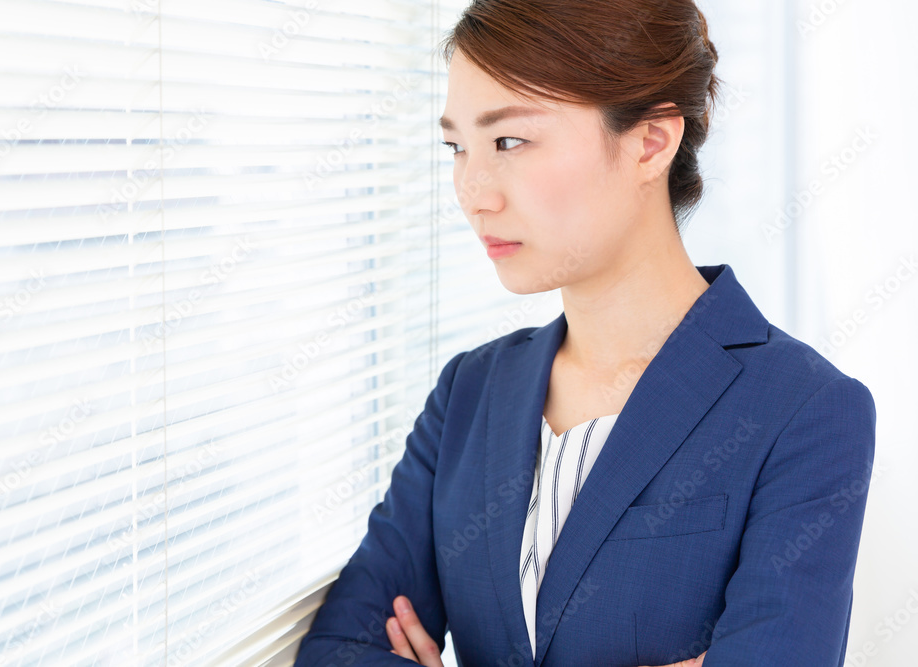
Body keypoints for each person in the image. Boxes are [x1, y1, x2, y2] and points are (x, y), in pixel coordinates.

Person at [293, 1, 877, 665]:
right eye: (457, 148)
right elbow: (338, 649)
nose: (473, 194)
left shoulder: (804, 410)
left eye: (509, 141)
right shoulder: (469, 393)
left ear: (650, 141)